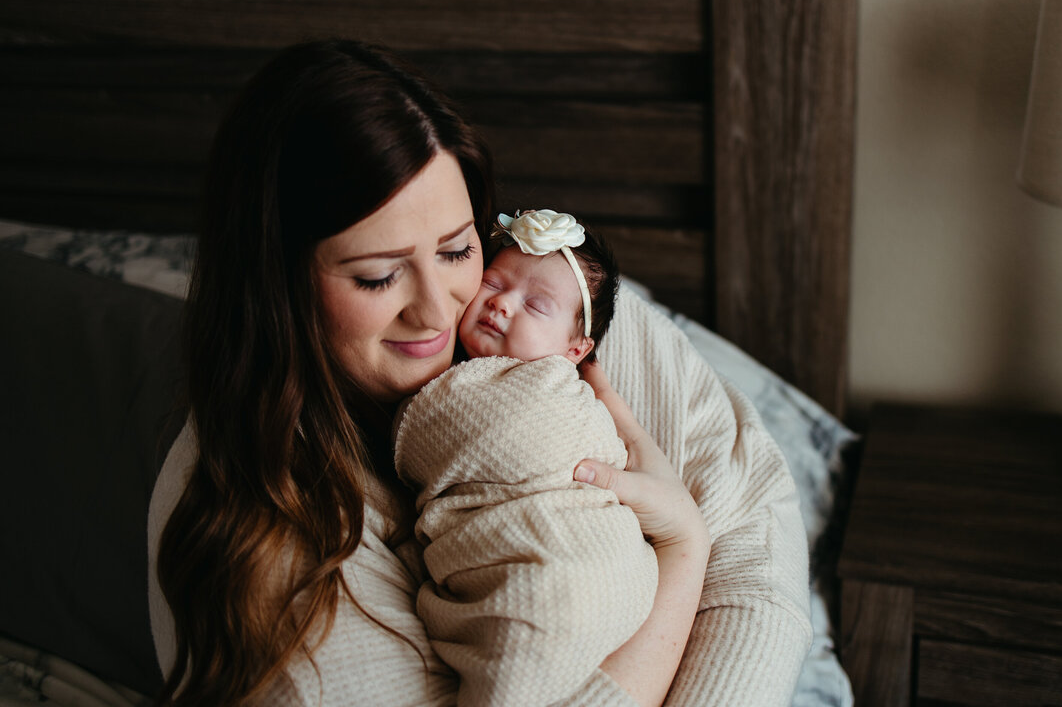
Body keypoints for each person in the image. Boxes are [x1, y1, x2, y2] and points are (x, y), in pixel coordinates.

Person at [147, 38, 813, 707]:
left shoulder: (558, 301)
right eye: (378, 277)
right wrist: (684, 552)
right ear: (275, 289)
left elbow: (758, 551)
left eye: (457, 249)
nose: (442, 310)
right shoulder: (268, 543)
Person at [394, 210, 658, 705]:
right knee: (520, 648)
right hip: (511, 558)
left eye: (536, 306)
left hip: (598, 551)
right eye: (492, 282)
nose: (501, 304)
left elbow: (611, 446)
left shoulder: (564, 388)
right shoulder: (441, 384)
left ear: (575, 350)